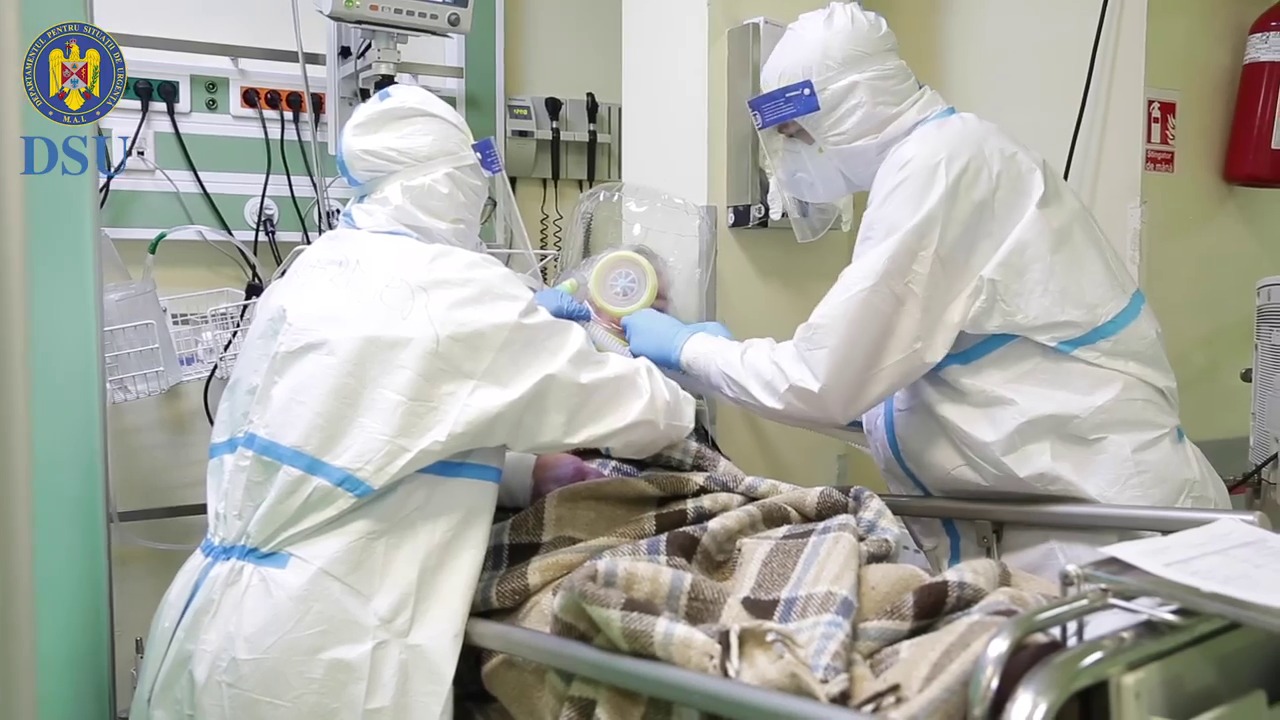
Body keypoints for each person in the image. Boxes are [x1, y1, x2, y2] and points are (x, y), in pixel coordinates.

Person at [130, 84, 695, 720]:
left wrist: (524, 473)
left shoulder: (311, 272)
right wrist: (667, 344)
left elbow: (367, 443)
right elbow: (653, 416)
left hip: (216, 630)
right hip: (324, 652)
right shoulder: (454, 290)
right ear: (452, 183)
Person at [621, 1, 1229, 579]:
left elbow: (823, 381)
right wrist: (716, 364)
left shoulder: (940, 165)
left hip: (1110, 532)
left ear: (850, 107)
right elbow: (908, 392)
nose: (792, 156)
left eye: (797, 133)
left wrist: (689, 349)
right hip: (1070, 524)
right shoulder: (944, 160)